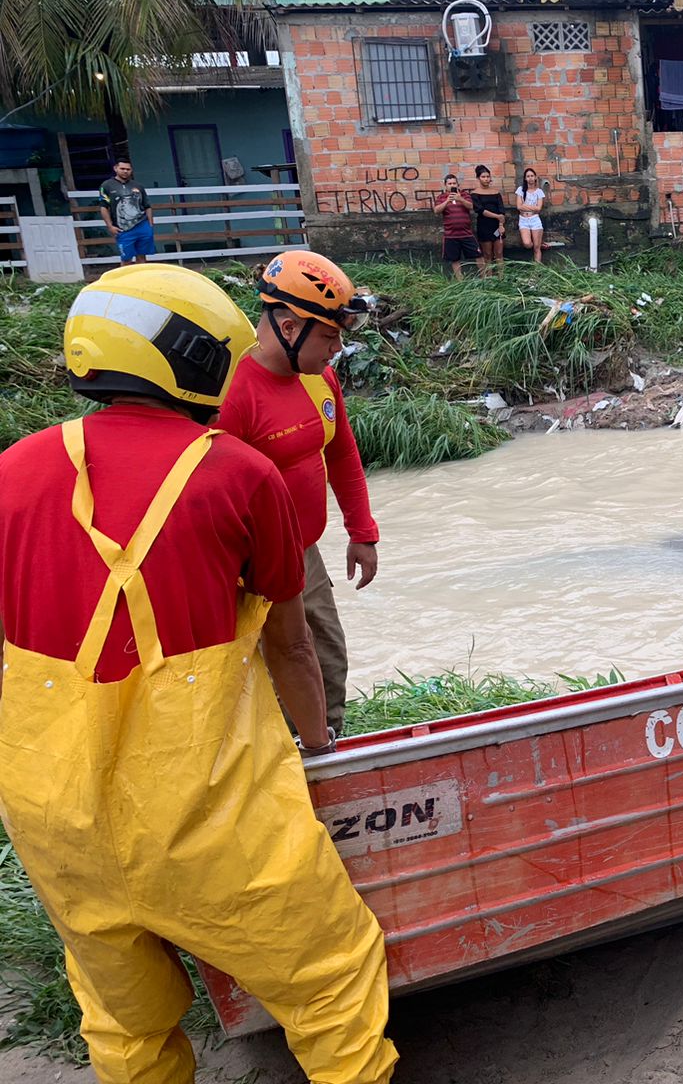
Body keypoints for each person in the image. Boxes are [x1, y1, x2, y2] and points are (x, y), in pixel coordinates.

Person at [0, 264, 397, 1082]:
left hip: (53, 817)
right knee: (334, 983)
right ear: (198, 358)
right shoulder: (236, 473)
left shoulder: (12, 472)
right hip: (205, 812)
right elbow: (289, 649)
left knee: (123, 1024)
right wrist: (319, 750)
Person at [218, 249, 380, 737]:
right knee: (263, 669)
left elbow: (342, 454)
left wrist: (362, 531)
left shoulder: (319, 378)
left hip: (301, 552)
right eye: (329, 336)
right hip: (242, 567)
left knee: (325, 655)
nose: (337, 349)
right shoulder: (232, 396)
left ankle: (328, 742)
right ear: (290, 328)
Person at [97, 157, 155, 264]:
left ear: (131, 170)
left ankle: (141, 279)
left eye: (128, 169)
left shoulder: (138, 186)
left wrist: (150, 224)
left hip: (142, 225)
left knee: (142, 257)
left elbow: (147, 205)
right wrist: (110, 226)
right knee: (126, 259)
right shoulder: (106, 186)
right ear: (116, 168)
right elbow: (104, 207)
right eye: (122, 168)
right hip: (123, 228)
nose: (125, 171)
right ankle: (125, 281)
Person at [434, 172, 483, 278]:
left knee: (478, 255)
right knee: (455, 259)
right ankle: (461, 281)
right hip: (450, 235)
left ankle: (485, 278)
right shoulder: (441, 197)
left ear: (457, 184)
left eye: (454, 183)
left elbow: (471, 207)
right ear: (445, 185)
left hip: (466, 233)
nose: (452, 185)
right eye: (450, 183)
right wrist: (447, 201)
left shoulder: (464, 195)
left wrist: (460, 199)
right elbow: (436, 210)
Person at [470, 164, 507, 269]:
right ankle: (489, 279)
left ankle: (501, 278)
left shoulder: (496, 192)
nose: (486, 179)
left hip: (497, 226)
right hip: (484, 226)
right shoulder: (475, 194)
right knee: (487, 255)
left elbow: (501, 210)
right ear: (478, 178)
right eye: (483, 177)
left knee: (499, 253)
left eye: (488, 177)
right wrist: (497, 216)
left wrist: (501, 225)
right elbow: (480, 210)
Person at [516, 167, 546, 262]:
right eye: (528, 176)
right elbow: (519, 207)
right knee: (527, 243)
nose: (530, 178)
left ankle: (537, 272)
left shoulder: (539, 192)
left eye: (532, 176)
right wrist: (533, 207)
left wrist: (525, 205)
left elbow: (539, 208)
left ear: (535, 177)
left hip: (535, 220)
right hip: (523, 220)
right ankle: (539, 243)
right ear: (525, 178)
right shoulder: (521, 190)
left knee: (536, 249)